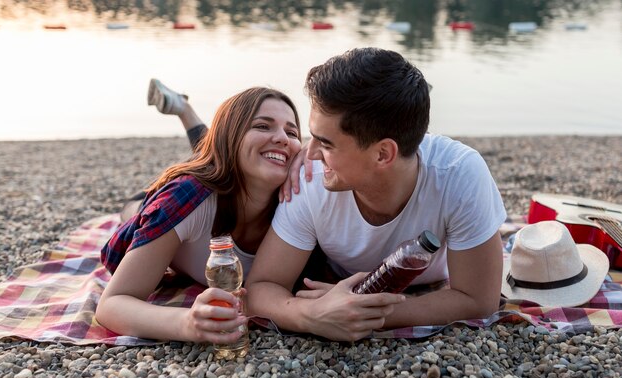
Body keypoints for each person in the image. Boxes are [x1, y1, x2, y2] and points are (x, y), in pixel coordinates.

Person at [245, 47, 507, 342]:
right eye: (312, 138)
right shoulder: (309, 178)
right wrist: (313, 315)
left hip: (430, 279)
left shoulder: (459, 174)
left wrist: (361, 309)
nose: (311, 154)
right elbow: (260, 288)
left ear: (383, 154)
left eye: (326, 144)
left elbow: (479, 300)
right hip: (336, 279)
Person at [96, 82, 302, 343]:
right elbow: (111, 304)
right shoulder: (186, 199)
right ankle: (185, 110)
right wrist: (186, 324)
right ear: (233, 136)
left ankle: (183, 108)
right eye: (262, 125)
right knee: (134, 208)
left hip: (218, 168)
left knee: (212, 155)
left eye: (292, 133)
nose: (284, 138)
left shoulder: (300, 203)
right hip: (158, 199)